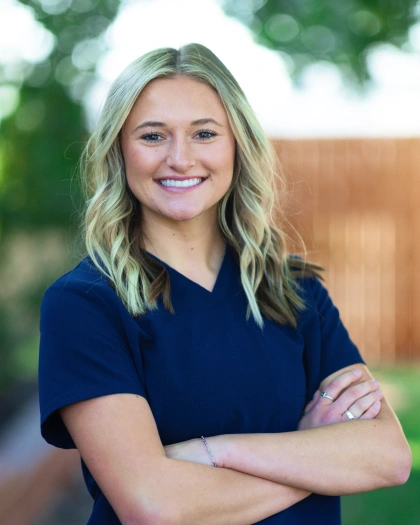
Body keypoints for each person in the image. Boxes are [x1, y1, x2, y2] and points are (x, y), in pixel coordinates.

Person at [38, 43, 411, 525]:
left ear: (237, 144)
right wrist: (314, 455)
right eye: (152, 136)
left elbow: (388, 455)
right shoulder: (85, 304)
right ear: (118, 149)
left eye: (205, 133)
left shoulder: (294, 290)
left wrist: (213, 452)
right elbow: (154, 507)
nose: (180, 157)